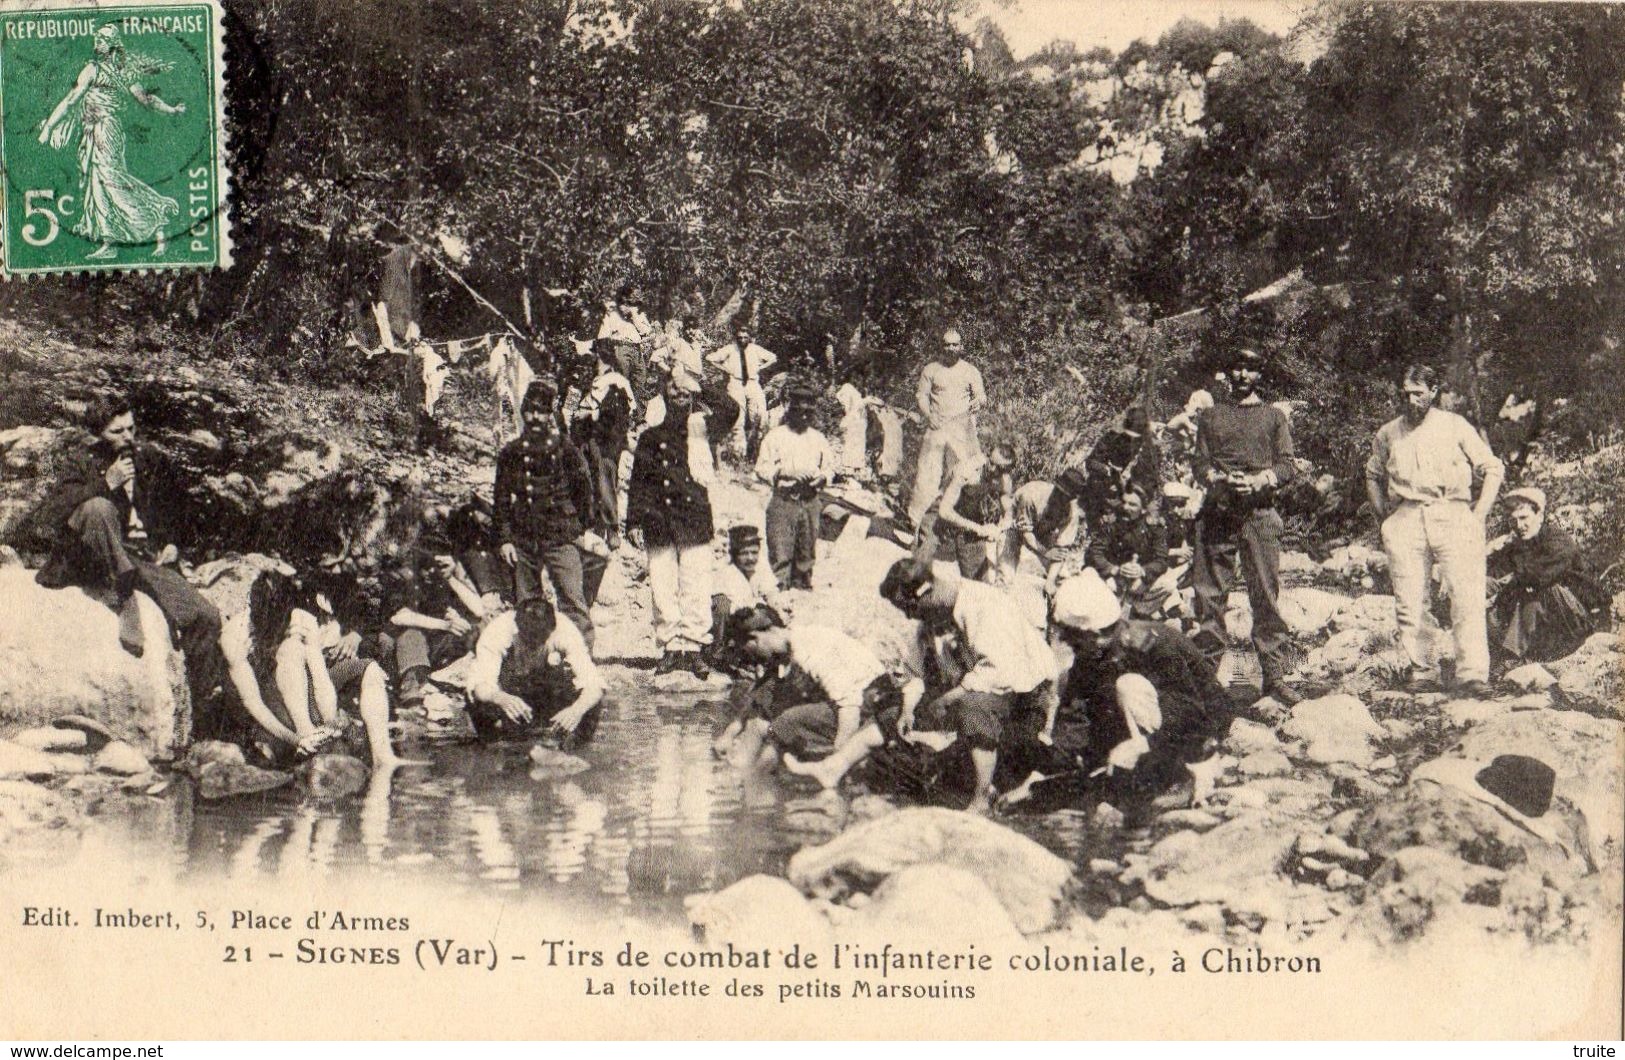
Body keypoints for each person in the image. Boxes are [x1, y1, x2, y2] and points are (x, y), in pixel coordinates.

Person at [31, 398, 222, 703]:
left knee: (205, 616)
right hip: (91, 556)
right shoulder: (81, 461)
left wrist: (171, 543)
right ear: (98, 435)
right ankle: (125, 595)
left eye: (131, 428)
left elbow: (177, 510)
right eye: (117, 432)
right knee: (97, 508)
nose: (128, 437)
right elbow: (49, 515)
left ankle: (201, 704)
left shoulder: (148, 460)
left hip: (138, 556)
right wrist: (105, 482)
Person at [1007, 570, 1231, 811]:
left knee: (1130, 687)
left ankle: (1180, 777)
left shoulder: (1151, 644)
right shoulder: (1092, 654)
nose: (1070, 646)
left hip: (1200, 727)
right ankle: (1145, 769)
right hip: (1154, 723)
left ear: (1096, 636)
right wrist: (1040, 774)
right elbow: (1075, 718)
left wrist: (1143, 744)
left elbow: (1188, 708)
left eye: (1074, 640)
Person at [1365, 363, 1505, 696]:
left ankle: (1472, 673)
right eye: (1405, 393)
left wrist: (1479, 514)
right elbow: (1372, 474)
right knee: (1410, 598)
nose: (1410, 399)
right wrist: (1383, 514)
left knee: (1466, 594)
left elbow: (1492, 468)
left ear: (1433, 393)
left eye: (1417, 393)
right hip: (1407, 517)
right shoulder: (1388, 433)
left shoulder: (1455, 426)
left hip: (1453, 512)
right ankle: (1423, 670)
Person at [879, 559, 1058, 815]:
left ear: (927, 591)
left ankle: (981, 797)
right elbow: (914, 669)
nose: (909, 615)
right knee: (894, 711)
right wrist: (908, 709)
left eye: (910, 607)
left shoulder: (984, 605)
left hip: (1024, 700)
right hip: (977, 693)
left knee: (971, 705)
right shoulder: (934, 614)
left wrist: (946, 700)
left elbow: (1000, 674)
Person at [215, 566, 421, 769]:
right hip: (267, 709)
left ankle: (383, 757)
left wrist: (330, 721)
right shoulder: (235, 637)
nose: (279, 625)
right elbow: (253, 703)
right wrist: (297, 739)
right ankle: (306, 733)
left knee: (370, 669)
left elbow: (320, 676)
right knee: (291, 648)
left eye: (283, 618)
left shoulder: (300, 620)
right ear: (253, 609)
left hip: (301, 697)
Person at [1190, 348, 1303, 705]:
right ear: (1226, 373)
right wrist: (1218, 478)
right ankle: (1207, 683)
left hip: (1259, 513)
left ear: (1259, 375)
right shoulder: (1210, 416)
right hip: (1219, 513)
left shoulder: (1273, 417)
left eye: (1249, 369)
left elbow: (1288, 465)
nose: (1241, 375)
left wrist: (1261, 480)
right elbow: (1199, 464)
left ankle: (1275, 678)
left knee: (1265, 596)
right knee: (1209, 598)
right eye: (1235, 367)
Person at [36, 24, 184, 260]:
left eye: (103, 39)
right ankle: (111, 241)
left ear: (113, 44)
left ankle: (156, 215)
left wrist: (172, 109)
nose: (98, 42)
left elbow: (73, 100)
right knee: (99, 184)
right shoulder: (106, 70)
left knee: (110, 181)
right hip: (94, 132)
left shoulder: (100, 70)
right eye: (98, 38)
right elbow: (73, 100)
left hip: (105, 131)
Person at [627, 371, 739, 676]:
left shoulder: (703, 429)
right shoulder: (650, 438)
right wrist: (634, 521)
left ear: (693, 398)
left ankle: (693, 647)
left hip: (693, 518)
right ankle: (670, 647)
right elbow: (639, 482)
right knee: (663, 587)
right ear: (664, 396)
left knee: (696, 584)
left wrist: (699, 384)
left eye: (685, 393)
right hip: (659, 520)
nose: (680, 396)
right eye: (674, 391)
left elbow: (732, 410)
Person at [725, 608, 906, 789]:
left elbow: (849, 706)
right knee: (770, 724)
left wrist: (840, 758)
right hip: (859, 695)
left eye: (753, 653)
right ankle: (748, 777)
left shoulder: (809, 649)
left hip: (872, 698)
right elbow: (762, 698)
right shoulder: (794, 645)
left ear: (755, 638)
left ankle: (752, 783)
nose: (757, 660)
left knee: (786, 722)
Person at [493, 381, 606, 652]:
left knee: (573, 600)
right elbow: (501, 500)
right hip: (524, 539)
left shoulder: (565, 449)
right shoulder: (511, 453)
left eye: (541, 412)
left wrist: (578, 526)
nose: (534, 417)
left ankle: (580, 660)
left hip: (559, 537)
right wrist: (505, 539)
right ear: (522, 412)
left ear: (550, 414)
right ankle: (531, 662)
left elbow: (585, 489)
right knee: (526, 604)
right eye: (529, 411)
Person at [465, 594, 605, 746]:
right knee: (479, 703)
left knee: (589, 703)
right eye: (529, 640)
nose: (534, 646)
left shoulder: (565, 631)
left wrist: (576, 711)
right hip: (511, 690)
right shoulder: (498, 631)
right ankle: (497, 748)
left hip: (546, 688)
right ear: (517, 628)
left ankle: (573, 747)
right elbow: (479, 685)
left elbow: (594, 685)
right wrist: (500, 697)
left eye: (540, 640)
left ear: (552, 631)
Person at [1489, 487, 1606, 665]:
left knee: (1539, 589)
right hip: (1545, 622)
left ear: (1540, 516)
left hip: (1578, 619)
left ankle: (1513, 658)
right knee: (1483, 585)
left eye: (1524, 518)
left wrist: (1500, 594)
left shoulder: (1558, 540)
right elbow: (1495, 572)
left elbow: (1538, 577)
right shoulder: (1518, 545)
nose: (1519, 526)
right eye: (1513, 521)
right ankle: (1495, 653)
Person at [755, 380, 835, 591]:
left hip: (810, 500)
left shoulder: (818, 439)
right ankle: (779, 590)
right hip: (784, 499)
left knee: (806, 551)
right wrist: (783, 472)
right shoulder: (775, 436)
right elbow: (761, 468)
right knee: (780, 551)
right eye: (800, 410)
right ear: (791, 409)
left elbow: (830, 468)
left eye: (809, 410)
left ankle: (802, 586)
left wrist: (822, 478)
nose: (805, 415)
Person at [907, 328, 986, 528]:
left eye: (954, 344)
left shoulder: (970, 370)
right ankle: (915, 519)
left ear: (961, 346)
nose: (950, 348)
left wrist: (978, 402)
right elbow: (921, 396)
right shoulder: (931, 369)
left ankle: (955, 520)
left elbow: (981, 396)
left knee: (963, 473)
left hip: (962, 429)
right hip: (938, 426)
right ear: (941, 346)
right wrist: (929, 415)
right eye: (947, 344)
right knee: (928, 472)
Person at [917, 442, 1016, 581]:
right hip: (941, 519)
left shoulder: (1004, 481)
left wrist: (999, 529)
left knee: (980, 583)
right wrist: (979, 528)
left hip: (969, 522)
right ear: (987, 456)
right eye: (991, 463)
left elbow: (1009, 512)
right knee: (917, 568)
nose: (992, 469)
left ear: (1007, 470)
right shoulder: (968, 470)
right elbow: (944, 511)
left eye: (999, 468)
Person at [1087, 487, 1170, 618]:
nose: (1126, 507)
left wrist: (1142, 571)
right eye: (1124, 502)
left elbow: (1162, 560)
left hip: (1138, 580)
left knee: (1168, 584)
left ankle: (1136, 613)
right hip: (1113, 577)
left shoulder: (1154, 527)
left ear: (1143, 509)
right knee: (1090, 577)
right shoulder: (1112, 523)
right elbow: (1095, 552)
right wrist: (1113, 569)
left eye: (1132, 504)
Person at [706, 322, 778, 459]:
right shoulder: (729, 349)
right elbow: (709, 358)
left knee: (758, 417)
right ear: (736, 338)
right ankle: (738, 454)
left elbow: (773, 358)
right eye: (740, 337)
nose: (743, 340)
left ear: (749, 338)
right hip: (735, 383)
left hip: (752, 384)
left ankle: (757, 454)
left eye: (745, 337)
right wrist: (725, 369)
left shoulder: (755, 349)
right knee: (737, 419)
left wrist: (761, 368)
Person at [1083, 405, 1162, 528]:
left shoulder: (1150, 450)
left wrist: (1128, 486)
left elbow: (1151, 481)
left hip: (1126, 499)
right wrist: (1108, 471)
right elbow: (1091, 462)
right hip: (1107, 493)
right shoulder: (1113, 438)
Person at [1003, 467, 1088, 581]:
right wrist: (1046, 552)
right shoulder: (1031, 494)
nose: (1061, 498)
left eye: (1066, 497)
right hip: (1014, 527)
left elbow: (1061, 549)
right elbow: (1026, 533)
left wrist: (1050, 581)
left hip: (1042, 534)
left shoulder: (1071, 513)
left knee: (1061, 578)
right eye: (1059, 492)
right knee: (1005, 575)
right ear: (1055, 486)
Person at [709, 525, 781, 656]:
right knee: (721, 603)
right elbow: (727, 606)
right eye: (744, 553)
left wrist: (776, 604)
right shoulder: (724, 569)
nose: (750, 558)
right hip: (729, 619)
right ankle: (718, 650)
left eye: (754, 552)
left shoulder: (760, 565)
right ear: (735, 555)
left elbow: (770, 590)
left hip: (751, 616)